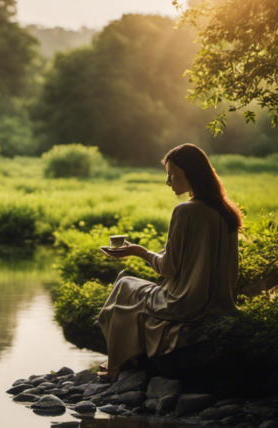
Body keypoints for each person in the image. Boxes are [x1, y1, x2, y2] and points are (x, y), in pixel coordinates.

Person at [97, 144, 242, 382]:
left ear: (189, 173)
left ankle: (114, 366)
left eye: (171, 174)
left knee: (124, 284)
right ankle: (115, 361)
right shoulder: (226, 210)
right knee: (131, 290)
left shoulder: (185, 211)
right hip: (221, 301)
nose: (168, 181)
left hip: (186, 303)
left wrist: (139, 251)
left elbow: (168, 268)